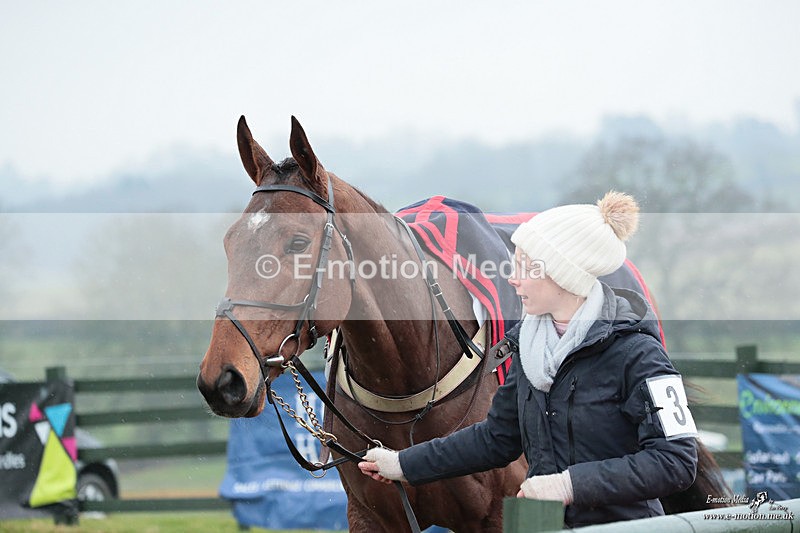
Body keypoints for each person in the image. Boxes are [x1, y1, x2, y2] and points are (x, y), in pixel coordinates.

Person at [358, 191, 698, 528]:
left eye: (526, 267)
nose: (512, 278)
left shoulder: (640, 355)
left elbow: (676, 461)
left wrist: (569, 485)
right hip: (545, 525)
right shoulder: (529, 346)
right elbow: (495, 438)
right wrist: (404, 464)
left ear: (563, 276)